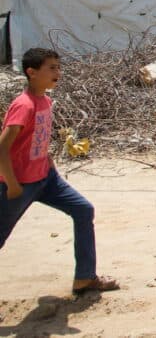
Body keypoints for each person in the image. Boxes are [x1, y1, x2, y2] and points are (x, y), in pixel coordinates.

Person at [0, 48, 119, 295]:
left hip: (45, 178)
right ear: (32, 72)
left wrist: (48, 159)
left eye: (58, 66)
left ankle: (85, 278)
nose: (58, 72)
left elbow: (35, 138)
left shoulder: (44, 100)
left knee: (83, 210)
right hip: (20, 185)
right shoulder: (23, 105)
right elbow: (3, 147)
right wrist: (11, 184)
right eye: (51, 68)